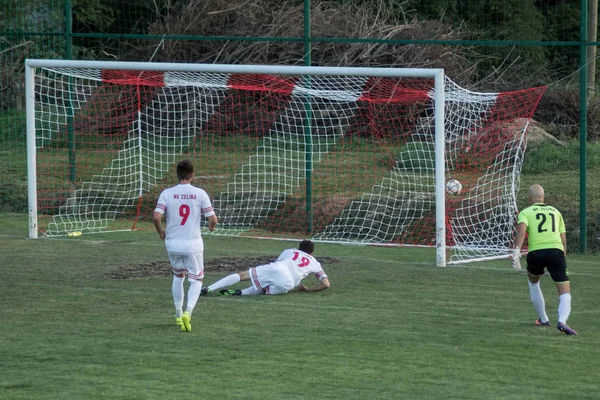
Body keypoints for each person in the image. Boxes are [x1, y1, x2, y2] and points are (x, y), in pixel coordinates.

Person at [153, 160, 218, 332]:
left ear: (177, 174)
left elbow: (156, 216)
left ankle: (177, 312)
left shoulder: (167, 193)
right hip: (192, 245)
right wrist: (211, 228)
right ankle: (188, 312)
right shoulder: (200, 193)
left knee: (178, 275)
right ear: (192, 174)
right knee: (196, 279)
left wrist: (160, 232)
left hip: (172, 244)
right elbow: (212, 219)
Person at [512, 184, 576, 335]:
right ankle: (562, 321)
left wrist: (516, 251)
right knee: (564, 292)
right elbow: (563, 238)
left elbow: (521, 232)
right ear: (543, 198)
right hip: (556, 251)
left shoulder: (526, 212)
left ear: (529, 199)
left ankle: (543, 318)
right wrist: (563, 256)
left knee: (534, 283)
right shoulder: (555, 212)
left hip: (536, 253)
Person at [201, 240, 330, 296]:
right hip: (289, 285)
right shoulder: (315, 263)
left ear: (298, 247)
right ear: (311, 253)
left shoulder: (290, 251)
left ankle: (209, 288)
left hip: (279, 269)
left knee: (242, 276)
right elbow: (326, 284)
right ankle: (242, 293)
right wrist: (308, 290)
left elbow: (278, 265)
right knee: (264, 289)